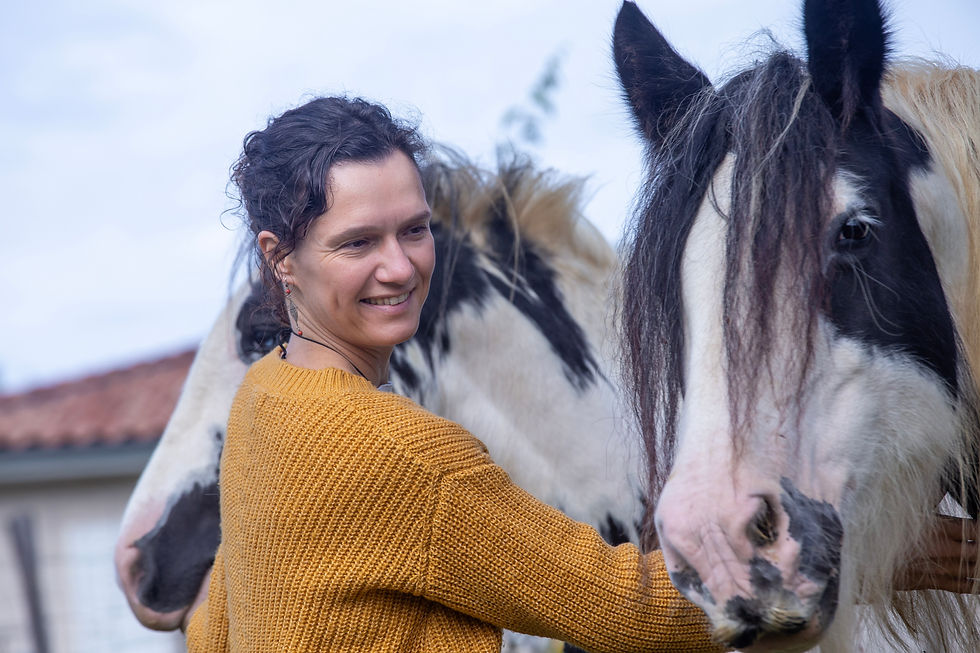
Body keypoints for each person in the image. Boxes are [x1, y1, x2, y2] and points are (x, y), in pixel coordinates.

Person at [185, 95, 977, 653]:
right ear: (279, 258)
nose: (400, 267)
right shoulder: (400, 454)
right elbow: (620, 610)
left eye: (416, 230)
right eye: (358, 242)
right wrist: (858, 560)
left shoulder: (264, 402)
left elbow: (209, 629)